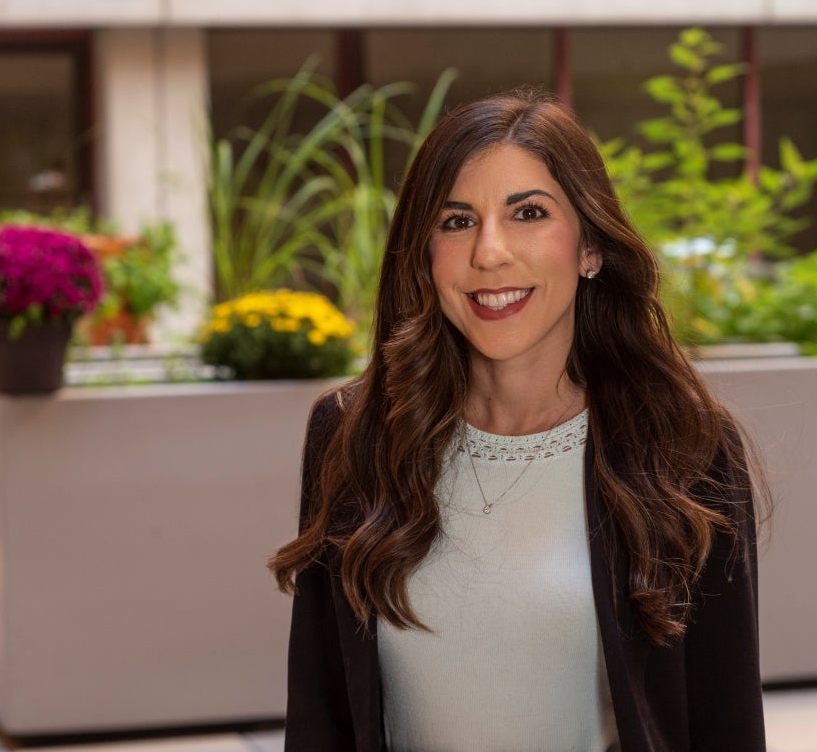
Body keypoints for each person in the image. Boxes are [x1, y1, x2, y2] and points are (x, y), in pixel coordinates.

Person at [270, 90, 767, 751]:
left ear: (589, 245)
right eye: (455, 221)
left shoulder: (685, 446)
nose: (490, 252)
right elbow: (320, 714)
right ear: (424, 252)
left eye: (528, 213)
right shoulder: (353, 435)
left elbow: (724, 722)